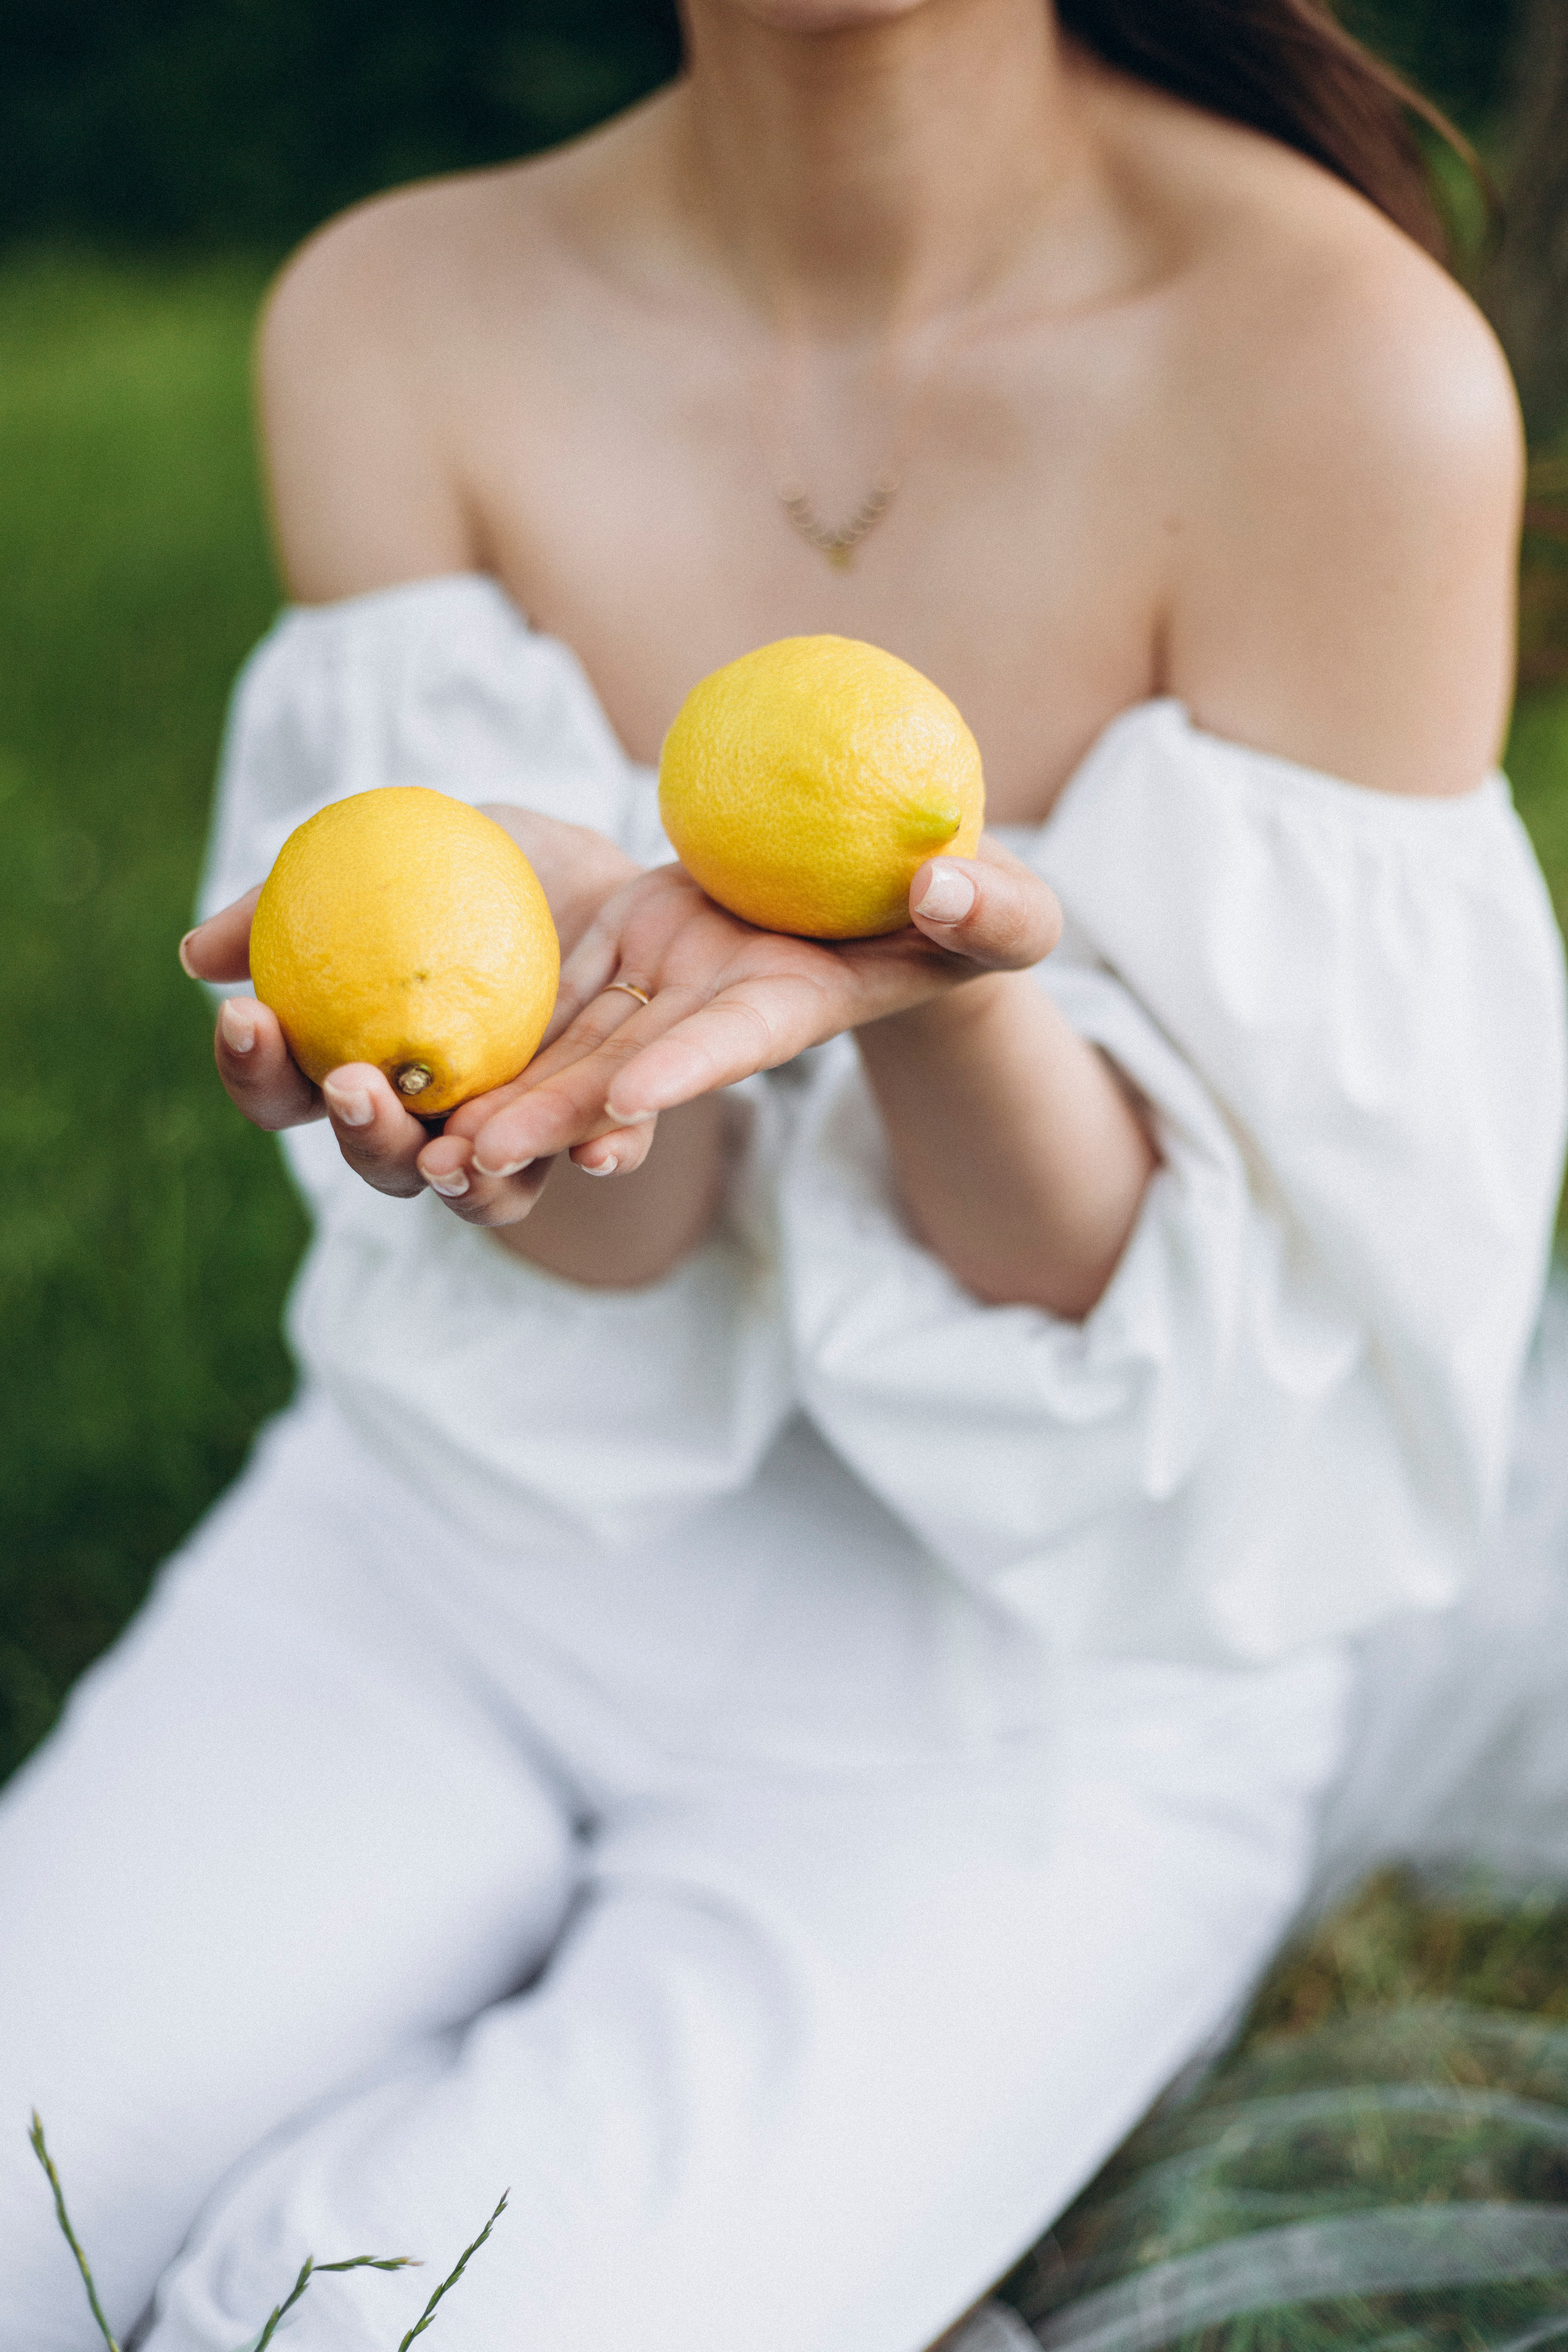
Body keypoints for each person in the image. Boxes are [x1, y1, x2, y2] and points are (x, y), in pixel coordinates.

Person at [4, 0, 1567, 2346]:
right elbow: (600, 1244)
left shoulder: (1346, 373)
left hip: (1038, 1682)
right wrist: (542, 1081)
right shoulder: (393, 318)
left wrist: (947, 998)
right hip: (459, 1538)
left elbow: (1172, 1384)